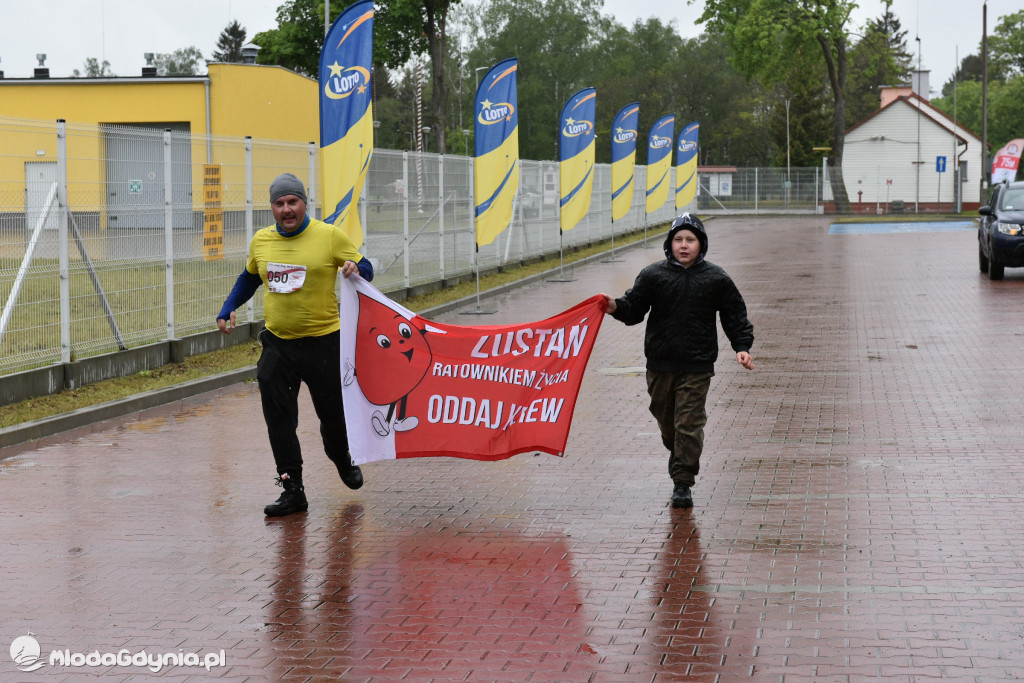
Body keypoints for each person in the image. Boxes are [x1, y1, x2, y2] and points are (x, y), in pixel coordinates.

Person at [216, 172, 373, 517]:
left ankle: (341, 458)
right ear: (272, 207)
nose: (287, 209)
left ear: (304, 204)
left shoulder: (329, 236)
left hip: (324, 343)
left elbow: (365, 266)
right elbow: (249, 277)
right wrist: (228, 308)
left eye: (293, 202)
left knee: (333, 417)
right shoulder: (262, 241)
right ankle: (292, 489)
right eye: (279, 203)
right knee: (279, 420)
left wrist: (354, 266)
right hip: (279, 346)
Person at [601, 213, 754, 509]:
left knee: (689, 423)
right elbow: (634, 310)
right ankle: (679, 451)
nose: (684, 246)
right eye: (678, 240)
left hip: (698, 365)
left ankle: (682, 482)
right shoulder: (653, 275)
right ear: (669, 244)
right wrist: (615, 306)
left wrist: (742, 346)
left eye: (690, 240)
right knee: (668, 423)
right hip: (660, 364)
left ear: (701, 244)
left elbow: (734, 315)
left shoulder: (716, 278)